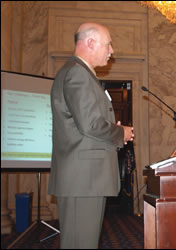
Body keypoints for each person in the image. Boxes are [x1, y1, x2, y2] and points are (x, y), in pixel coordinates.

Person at [48, 22, 134, 249]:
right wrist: (120, 133)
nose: (111, 50)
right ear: (90, 43)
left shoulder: (78, 72)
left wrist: (110, 128)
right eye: (108, 44)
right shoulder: (78, 73)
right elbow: (89, 124)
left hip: (84, 179)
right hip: (83, 180)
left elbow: (83, 123)